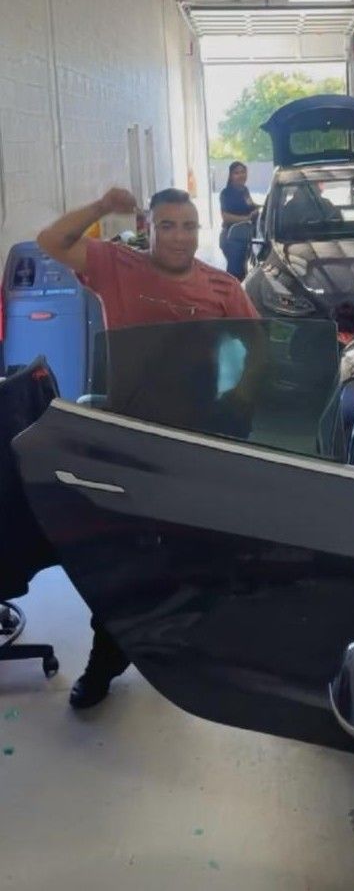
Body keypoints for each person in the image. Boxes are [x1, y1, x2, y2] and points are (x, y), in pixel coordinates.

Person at [37, 185, 258, 709]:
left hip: (196, 438)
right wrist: (99, 207)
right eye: (168, 226)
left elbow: (259, 343)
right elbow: (51, 239)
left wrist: (239, 397)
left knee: (190, 549)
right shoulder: (116, 265)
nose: (180, 237)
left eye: (189, 226)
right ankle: (107, 658)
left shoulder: (222, 286)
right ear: (149, 228)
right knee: (120, 556)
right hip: (130, 438)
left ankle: (185, 650)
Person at [219, 162, 258, 279]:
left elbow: (250, 205)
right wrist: (246, 219)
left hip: (244, 235)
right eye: (237, 173)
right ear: (231, 176)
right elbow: (225, 216)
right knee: (235, 276)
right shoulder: (226, 193)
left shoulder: (244, 190)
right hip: (231, 238)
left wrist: (260, 208)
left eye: (243, 172)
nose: (241, 175)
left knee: (243, 273)